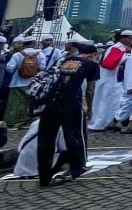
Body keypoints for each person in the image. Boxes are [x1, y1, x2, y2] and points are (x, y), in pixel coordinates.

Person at [37, 43, 100, 187]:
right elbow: (90, 90)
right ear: (93, 54)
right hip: (71, 103)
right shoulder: (91, 64)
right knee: (75, 135)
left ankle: (44, 176)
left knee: (46, 139)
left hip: (51, 102)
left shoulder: (64, 60)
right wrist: (89, 108)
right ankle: (77, 168)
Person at [89, 30, 132, 132]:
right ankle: (100, 124)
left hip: (112, 80)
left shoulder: (120, 48)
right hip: (110, 80)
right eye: (130, 38)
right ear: (123, 38)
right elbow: (109, 65)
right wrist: (126, 57)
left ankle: (110, 122)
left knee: (112, 102)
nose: (131, 40)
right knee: (106, 102)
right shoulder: (117, 49)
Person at [4, 36, 40, 127]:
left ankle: (12, 123)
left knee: (14, 103)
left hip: (16, 82)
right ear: (34, 43)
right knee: (27, 102)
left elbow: (9, 68)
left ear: (23, 44)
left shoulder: (17, 55)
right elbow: (43, 67)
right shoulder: (39, 54)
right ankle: (26, 122)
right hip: (32, 83)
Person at [114, 39, 132, 135]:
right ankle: (123, 125)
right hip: (130, 86)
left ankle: (116, 122)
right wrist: (130, 86)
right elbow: (129, 73)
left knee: (126, 105)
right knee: (127, 105)